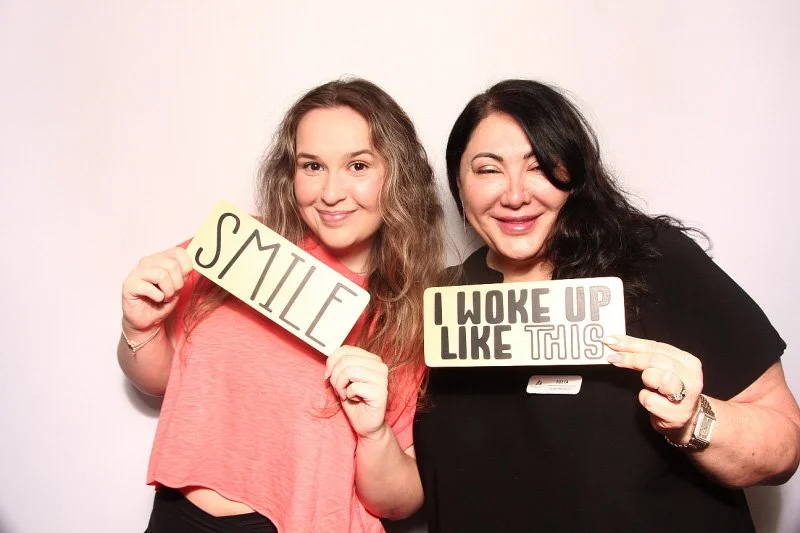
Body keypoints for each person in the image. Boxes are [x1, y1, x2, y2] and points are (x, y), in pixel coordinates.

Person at [413, 79, 800, 533]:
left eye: (539, 166)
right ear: (459, 183)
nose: (515, 195)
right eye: (488, 169)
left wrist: (692, 420)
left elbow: (784, 445)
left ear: (575, 175)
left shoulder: (654, 262)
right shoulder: (439, 305)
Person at [118, 78, 443, 532]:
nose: (331, 192)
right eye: (312, 166)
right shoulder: (236, 247)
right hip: (178, 515)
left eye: (357, 165)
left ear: (397, 174)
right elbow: (159, 382)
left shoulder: (410, 315)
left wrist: (374, 433)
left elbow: (401, 503)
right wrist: (139, 329)